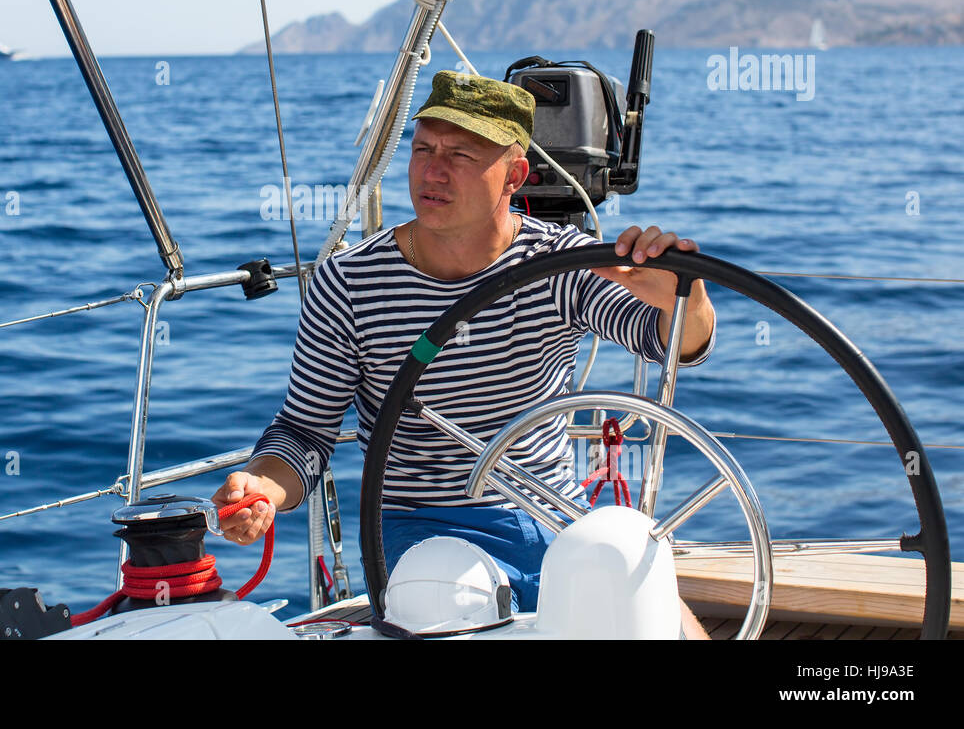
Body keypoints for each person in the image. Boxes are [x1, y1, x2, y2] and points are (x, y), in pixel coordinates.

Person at [212, 70, 715, 637]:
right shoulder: (349, 283)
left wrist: (682, 295)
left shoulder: (559, 265)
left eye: (462, 154)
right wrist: (261, 487)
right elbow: (304, 432)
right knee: (444, 587)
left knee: (637, 575)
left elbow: (678, 345)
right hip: (421, 531)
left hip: (555, 517)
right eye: (423, 148)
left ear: (515, 174)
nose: (433, 170)